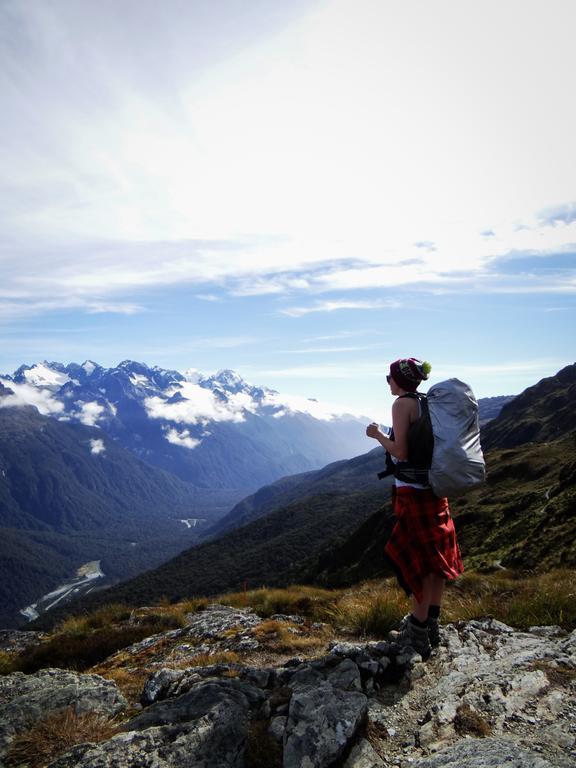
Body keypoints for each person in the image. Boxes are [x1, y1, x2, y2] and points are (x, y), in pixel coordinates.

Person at [366, 357, 464, 659]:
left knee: (419, 564)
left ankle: (417, 633)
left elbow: (401, 452)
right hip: (436, 490)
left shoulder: (402, 405)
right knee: (436, 562)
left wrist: (377, 435)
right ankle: (430, 625)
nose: (388, 382)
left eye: (389, 377)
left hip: (412, 495)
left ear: (400, 380)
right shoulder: (428, 403)